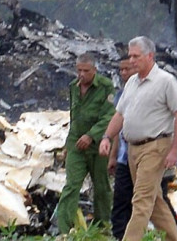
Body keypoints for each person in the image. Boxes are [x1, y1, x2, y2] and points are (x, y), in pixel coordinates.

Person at [98, 36, 177, 241]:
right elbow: (119, 115)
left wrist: (175, 150)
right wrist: (106, 137)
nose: (131, 60)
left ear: (150, 56)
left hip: (155, 146)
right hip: (133, 150)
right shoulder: (131, 83)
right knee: (155, 203)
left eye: (136, 56)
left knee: (141, 201)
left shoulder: (165, 81)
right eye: (130, 56)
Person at [57, 53, 115, 234]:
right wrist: (68, 145)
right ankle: (64, 229)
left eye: (86, 71)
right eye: (79, 70)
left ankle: (102, 227)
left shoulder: (105, 86)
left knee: (101, 187)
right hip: (76, 143)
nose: (82, 74)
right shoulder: (73, 87)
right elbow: (73, 117)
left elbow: (109, 116)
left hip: (98, 145)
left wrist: (91, 135)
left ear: (94, 70)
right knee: (71, 185)